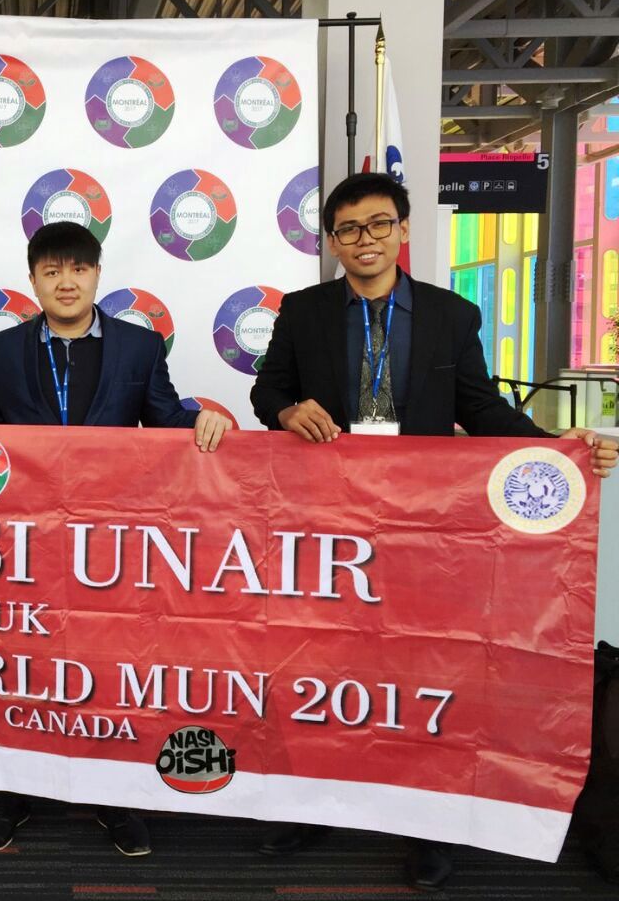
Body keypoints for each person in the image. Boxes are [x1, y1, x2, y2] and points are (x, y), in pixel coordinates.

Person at [249, 172, 617, 891]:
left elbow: (481, 409)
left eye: (379, 224)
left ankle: (427, 825)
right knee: (324, 669)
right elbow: (268, 390)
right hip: (330, 524)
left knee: (418, 674)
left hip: (426, 529)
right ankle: (315, 802)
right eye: (349, 229)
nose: (365, 240)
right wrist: (288, 412)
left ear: (403, 230)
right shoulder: (304, 310)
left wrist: (557, 447)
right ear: (331, 241)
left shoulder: (452, 315)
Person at [0, 220, 232, 857]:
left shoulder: (139, 345)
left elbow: (164, 417)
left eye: (77, 269)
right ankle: (14, 791)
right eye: (50, 271)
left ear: (96, 274)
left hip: (108, 539)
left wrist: (204, 419)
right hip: (23, 542)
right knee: (22, 664)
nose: (65, 281)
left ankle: (114, 798)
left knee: (105, 669)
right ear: (32, 282)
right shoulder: (4, 349)